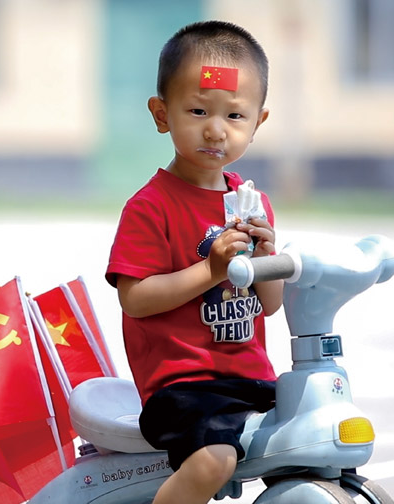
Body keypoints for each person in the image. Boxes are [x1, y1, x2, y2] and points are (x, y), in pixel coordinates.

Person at [105, 20, 283, 504]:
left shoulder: (253, 204)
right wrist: (212, 270)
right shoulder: (150, 206)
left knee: (308, 431)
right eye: (198, 110)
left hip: (253, 378)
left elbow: (270, 304)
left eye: (235, 115)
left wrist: (266, 254)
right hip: (184, 386)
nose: (215, 129)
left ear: (258, 123)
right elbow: (135, 299)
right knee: (214, 460)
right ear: (162, 114)